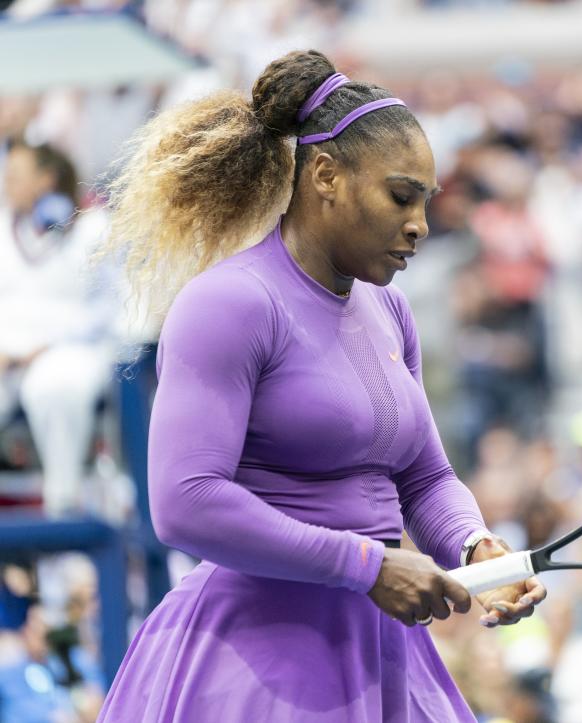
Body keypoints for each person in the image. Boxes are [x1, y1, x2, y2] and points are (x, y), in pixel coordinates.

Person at [96, 50, 546, 722]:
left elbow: (422, 476)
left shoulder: (389, 307)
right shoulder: (229, 303)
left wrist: (473, 543)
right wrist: (366, 564)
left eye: (425, 202)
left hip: (383, 652)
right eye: (399, 197)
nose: (419, 224)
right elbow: (183, 503)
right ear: (326, 176)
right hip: (251, 664)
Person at [0, 139, 115, 516]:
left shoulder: (94, 230)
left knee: (54, 388)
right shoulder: (3, 229)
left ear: (46, 180)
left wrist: (45, 343)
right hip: (8, 355)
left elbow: (112, 309)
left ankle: (62, 509)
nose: (6, 183)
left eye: (15, 176)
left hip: (74, 351)